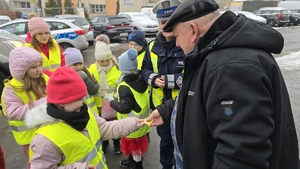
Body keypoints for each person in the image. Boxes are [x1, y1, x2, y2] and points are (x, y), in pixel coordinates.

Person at [146, 0, 299, 168]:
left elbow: (240, 155)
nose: (176, 44)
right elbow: (207, 99)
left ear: (193, 30)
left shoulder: (231, 66)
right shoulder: (215, 53)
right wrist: (168, 110)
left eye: (176, 36)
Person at [24, 66, 145, 169]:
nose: (84, 101)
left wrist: (134, 123)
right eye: (79, 98)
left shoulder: (84, 112)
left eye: (83, 96)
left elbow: (104, 128)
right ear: (61, 102)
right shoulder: (44, 140)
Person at [140, 0, 184, 168]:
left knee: (183, 143)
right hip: (160, 109)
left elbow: (195, 76)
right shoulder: (151, 46)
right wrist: (152, 78)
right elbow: (144, 69)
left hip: (182, 108)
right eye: (162, 22)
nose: (166, 26)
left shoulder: (188, 44)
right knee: (165, 144)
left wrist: (169, 81)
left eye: (170, 22)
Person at [1, 47, 48, 169]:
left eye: (40, 65)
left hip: (49, 131)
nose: (39, 70)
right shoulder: (11, 89)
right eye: (33, 67)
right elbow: (13, 112)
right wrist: (40, 103)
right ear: (22, 69)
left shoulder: (44, 80)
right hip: (29, 137)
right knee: (35, 163)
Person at [107, 48, 150, 169]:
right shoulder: (141, 78)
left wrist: (112, 102)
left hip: (131, 125)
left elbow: (124, 108)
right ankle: (132, 160)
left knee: (135, 149)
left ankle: (137, 165)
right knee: (136, 148)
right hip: (142, 122)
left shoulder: (124, 86)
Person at [89, 38, 122, 154]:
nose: (105, 63)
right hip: (98, 104)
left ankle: (117, 143)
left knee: (114, 125)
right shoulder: (92, 69)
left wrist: (117, 95)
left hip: (112, 103)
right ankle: (104, 143)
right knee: (102, 126)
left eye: (107, 60)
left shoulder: (116, 68)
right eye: (101, 61)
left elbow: (119, 83)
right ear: (96, 59)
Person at [64, 47, 99, 115]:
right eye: (75, 65)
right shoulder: (65, 78)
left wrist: (86, 79)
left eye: (80, 64)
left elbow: (95, 90)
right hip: (78, 114)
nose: (78, 67)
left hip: (93, 111)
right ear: (68, 66)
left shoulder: (87, 72)